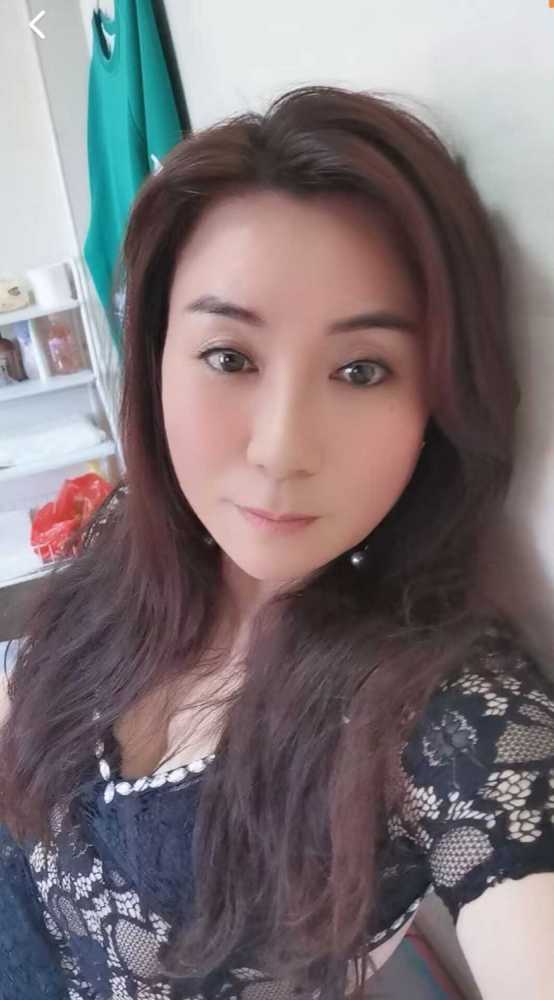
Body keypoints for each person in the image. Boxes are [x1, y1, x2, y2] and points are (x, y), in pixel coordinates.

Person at [1, 84, 553, 1000]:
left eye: (361, 370)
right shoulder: (131, 543)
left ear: (440, 403)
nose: (280, 449)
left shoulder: (446, 709)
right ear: (157, 355)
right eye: (230, 357)